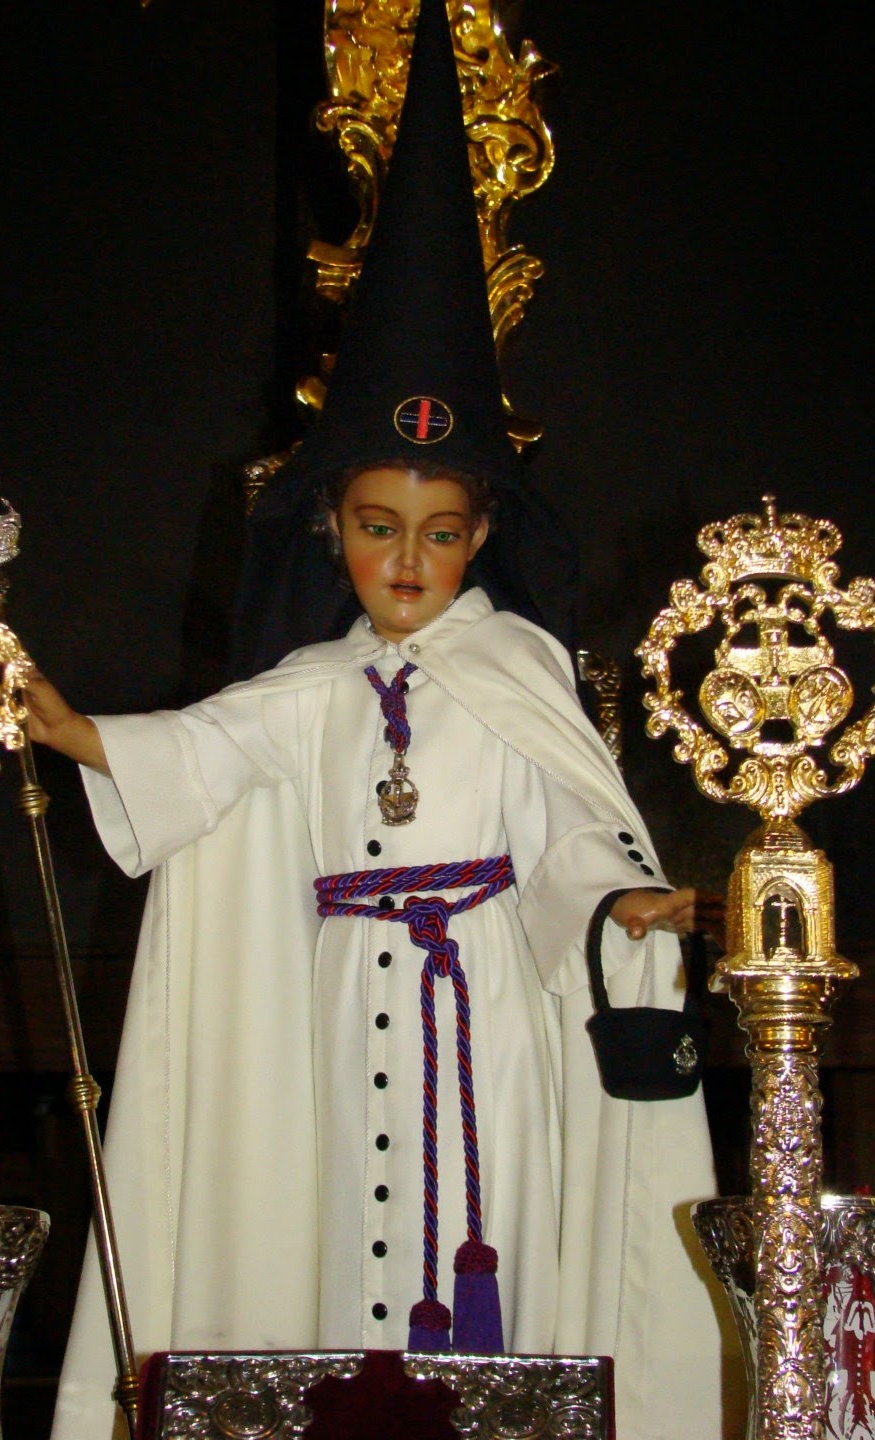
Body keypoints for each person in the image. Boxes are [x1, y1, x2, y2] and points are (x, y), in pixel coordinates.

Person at [47, 3, 729, 1435]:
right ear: (332, 531)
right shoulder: (307, 689)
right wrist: (71, 729)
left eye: (439, 530)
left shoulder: (518, 673)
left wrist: (623, 904)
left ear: (481, 535)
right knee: (319, 1243)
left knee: (489, 1257)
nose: (407, 561)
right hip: (331, 1002)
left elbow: (566, 832)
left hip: (483, 1019)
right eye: (376, 526)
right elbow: (208, 750)